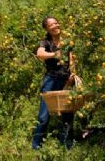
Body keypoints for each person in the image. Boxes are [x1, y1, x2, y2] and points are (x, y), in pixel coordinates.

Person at [32, 16, 75, 150]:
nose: (56, 26)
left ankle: (66, 146)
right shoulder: (45, 42)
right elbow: (40, 54)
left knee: (67, 115)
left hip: (66, 80)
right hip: (51, 80)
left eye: (56, 23)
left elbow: (72, 59)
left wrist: (72, 75)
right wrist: (54, 55)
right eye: (52, 24)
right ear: (47, 29)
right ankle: (36, 147)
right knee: (44, 116)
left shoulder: (67, 41)